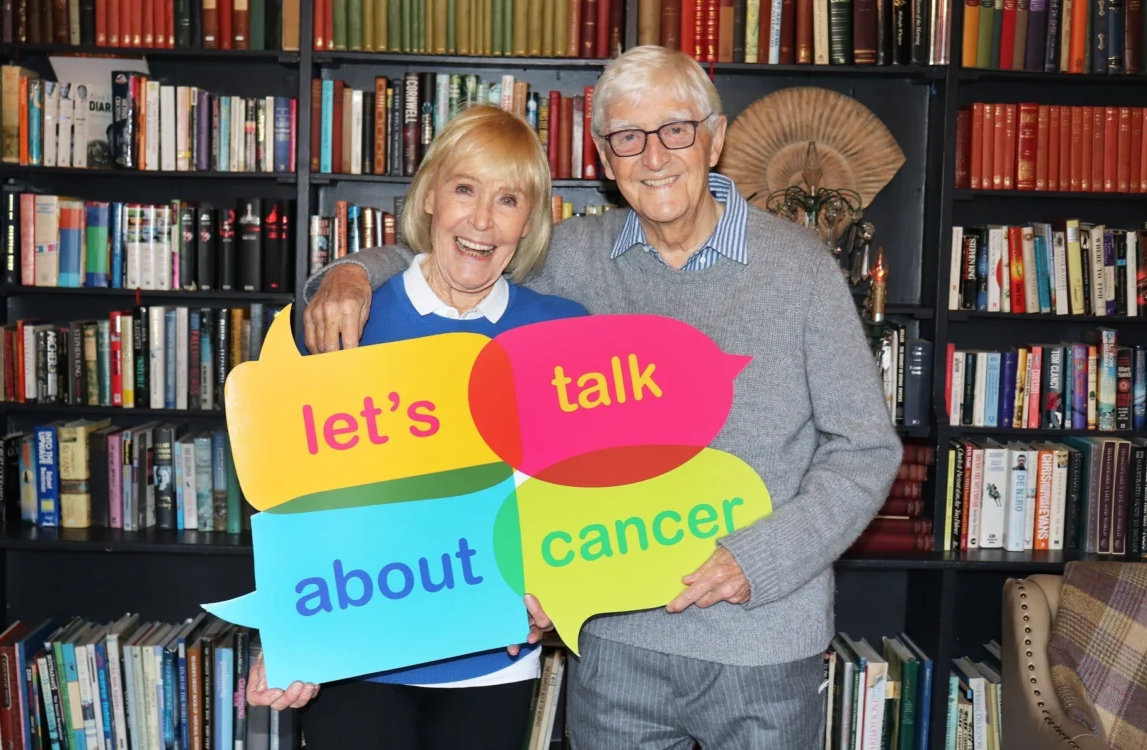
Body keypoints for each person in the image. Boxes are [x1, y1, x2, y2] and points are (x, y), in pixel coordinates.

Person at [300, 46, 903, 749]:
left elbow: (864, 448)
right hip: (616, 649)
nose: (654, 156)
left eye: (676, 129)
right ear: (604, 160)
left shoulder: (800, 270)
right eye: (627, 138)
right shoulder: (574, 257)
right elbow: (456, 253)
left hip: (761, 647)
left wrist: (759, 561)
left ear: (716, 137)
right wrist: (345, 273)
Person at [245, 105, 587, 750]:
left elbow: (581, 491)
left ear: (529, 222)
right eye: (465, 189)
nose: (482, 220)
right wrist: (292, 633)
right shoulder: (349, 319)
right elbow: (304, 496)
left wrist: (561, 584)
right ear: (429, 195)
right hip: (357, 658)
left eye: (508, 199)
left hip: (493, 660)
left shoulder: (561, 333)